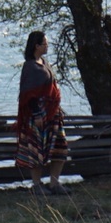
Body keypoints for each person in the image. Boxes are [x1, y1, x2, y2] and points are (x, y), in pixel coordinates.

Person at [15, 30, 70, 196]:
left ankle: (54, 183)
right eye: (45, 43)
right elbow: (28, 95)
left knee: (60, 147)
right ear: (36, 46)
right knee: (37, 150)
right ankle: (37, 184)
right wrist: (37, 114)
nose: (47, 46)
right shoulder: (30, 67)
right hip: (38, 115)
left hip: (52, 114)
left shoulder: (44, 62)